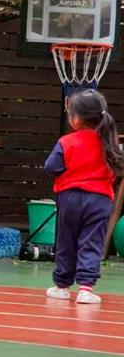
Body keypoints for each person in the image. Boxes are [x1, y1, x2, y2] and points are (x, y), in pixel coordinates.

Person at [44, 90, 124, 304]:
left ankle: (61, 286)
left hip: (70, 197)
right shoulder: (109, 141)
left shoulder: (67, 141)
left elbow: (51, 167)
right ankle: (86, 289)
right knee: (92, 242)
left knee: (66, 240)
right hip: (100, 200)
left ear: (76, 118)